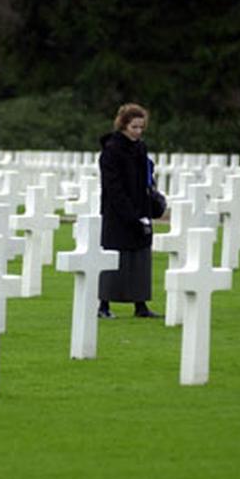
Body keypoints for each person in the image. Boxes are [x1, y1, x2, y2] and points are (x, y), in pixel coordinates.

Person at [97, 103, 162, 319]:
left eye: (141, 127)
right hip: (118, 212)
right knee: (114, 258)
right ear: (123, 125)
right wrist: (129, 213)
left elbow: (146, 179)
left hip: (140, 208)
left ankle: (140, 305)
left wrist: (150, 204)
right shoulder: (112, 150)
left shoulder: (140, 148)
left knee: (140, 258)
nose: (138, 131)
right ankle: (103, 305)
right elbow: (113, 186)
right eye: (134, 127)